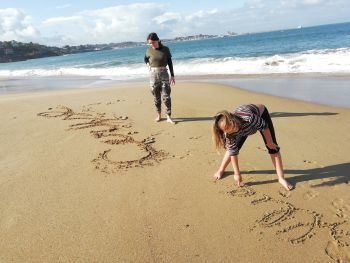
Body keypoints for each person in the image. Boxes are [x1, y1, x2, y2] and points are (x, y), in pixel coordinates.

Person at [212, 104, 293, 191]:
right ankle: (221, 169)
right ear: (224, 131)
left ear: (232, 119)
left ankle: (281, 178)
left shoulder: (248, 117)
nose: (233, 129)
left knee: (273, 147)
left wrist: (269, 142)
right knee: (233, 147)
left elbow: (264, 126)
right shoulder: (229, 134)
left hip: (260, 116)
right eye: (228, 130)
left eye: (232, 126)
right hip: (245, 128)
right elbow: (233, 152)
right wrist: (237, 174)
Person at [144, 32, 175, 124]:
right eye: (150, 43)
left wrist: (172, 75)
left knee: (166, 96)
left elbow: (170, 62)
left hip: (164, 74)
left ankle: (168, 116)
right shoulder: (149, 50)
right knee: (156, 97)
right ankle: (159, 115)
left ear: (157, 40)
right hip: (153, 75)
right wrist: (148, 65)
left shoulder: (165, 49)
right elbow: (145, 59)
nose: (151, 44)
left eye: (153, 42)